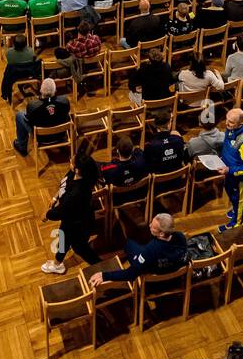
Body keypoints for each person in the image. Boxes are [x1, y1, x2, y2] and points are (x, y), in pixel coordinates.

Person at [41, 139, 103, 273]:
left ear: (77, 169)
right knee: (65, 239)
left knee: (79, 248)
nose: (69, 160)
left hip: (77, 223)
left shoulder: (77, 192)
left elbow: (61, 212)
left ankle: (102, 269)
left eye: (71, 161)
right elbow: (64, 184)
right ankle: (58, 262)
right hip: (73, 219)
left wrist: (47, 215)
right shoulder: (75, 174)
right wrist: (55, 196)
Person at [88, 213, 188, 284]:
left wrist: (104, 276)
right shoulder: (181, 237)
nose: (149, 226)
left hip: (156, 284)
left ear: (162, 233)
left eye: (153, 227)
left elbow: (131, 274)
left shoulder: (150, 250)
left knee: (129, 243)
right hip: (175, 278)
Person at [218, 108, 243, 232]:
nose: (226, 124)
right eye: (226, 119)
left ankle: (236, 222)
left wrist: (229, 170)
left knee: (239, 199)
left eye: (230, 122)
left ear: (240, 123)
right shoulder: (235, 126)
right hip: (230, 170)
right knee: (232, 194)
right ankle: (239, 209)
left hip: (240, 178)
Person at [13, 78, 71, 157]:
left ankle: (22, 147)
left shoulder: (32, 106)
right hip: (61, 135)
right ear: (55, 90)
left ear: (40, 90)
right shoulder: (65, 101)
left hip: (42, 139)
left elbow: (29, 121)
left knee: (19, 115)